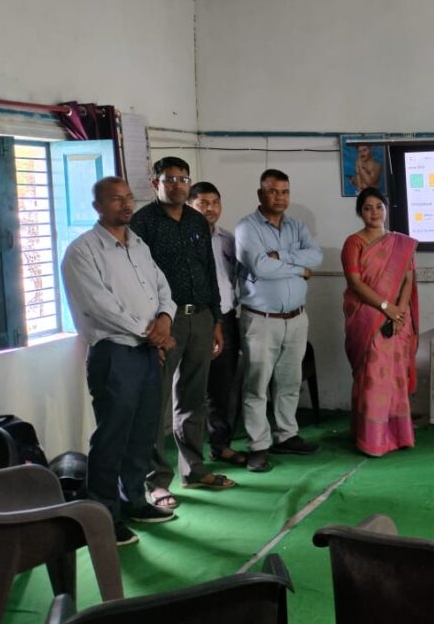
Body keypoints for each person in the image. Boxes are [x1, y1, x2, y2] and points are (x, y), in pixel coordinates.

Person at [61, 177, 178, 545]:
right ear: (97, 206)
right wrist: (152, 332)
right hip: (114, 353)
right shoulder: (82, 251)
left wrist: (165, 318)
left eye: (128, 198)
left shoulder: (138, 245)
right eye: (116, 199)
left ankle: (133, 501)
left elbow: (163, 288)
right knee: (112, 435)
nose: (126, 205)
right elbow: (100, 306)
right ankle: (104, 516)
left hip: (146, 352)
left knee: (143, 433)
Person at [131, 157, 234, 506]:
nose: (177, 185)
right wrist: (153, 326)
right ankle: (156, 481)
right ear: (155, 183)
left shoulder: (196, 220)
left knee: (192, 398)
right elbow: (139, 278)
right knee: (156, 401)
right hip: (164, 322)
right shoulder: (143, 222)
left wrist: (216, 320)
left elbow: (209, 271)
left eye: (183, 179)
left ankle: (193, 469)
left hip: (200, 317)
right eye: (170, 179)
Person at [236, 169, 324, 472]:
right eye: (273, 191)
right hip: (261, 320)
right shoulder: (246, 227)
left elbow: (316, 256)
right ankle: (258, 446)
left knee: (289, 382)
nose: (280, 197)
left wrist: (281, 256)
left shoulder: (296, 225)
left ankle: (286, 435)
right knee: (257, 385)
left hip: (297, 318)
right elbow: (261, 267)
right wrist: (298, 267)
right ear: (260, 194)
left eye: (285, 192)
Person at [342, 187, 418, 456]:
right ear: (360, 212)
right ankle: (372, 439)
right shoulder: (354, 243)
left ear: (386, 209)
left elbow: (408, 279)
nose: (374, 212)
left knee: (395, 377)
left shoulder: (401, 243)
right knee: (374, 378)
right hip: (368, 318)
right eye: (367, 208)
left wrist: (400, 312)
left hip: (397, 319)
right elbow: (355, 283)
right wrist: (386, 307)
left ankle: (398, 436)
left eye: (379, 207)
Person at [188, 181, 246, 467]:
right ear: (190, 206)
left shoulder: (227, 239)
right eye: (202, 203)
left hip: (226, 317)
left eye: (214, 203)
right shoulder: (184, 240)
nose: (210, 209)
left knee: (224, 387)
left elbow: (235, 276)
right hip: (195, 320)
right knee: (190, 390)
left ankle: (221, 445)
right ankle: (190, 457)